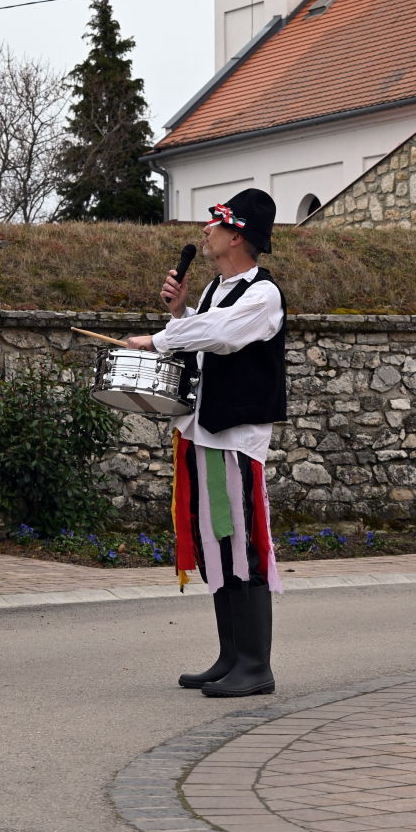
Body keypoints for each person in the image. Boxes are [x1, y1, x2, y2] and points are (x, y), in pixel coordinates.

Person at [127, 189, 285, 697]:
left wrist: (160, 337)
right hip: (204, 433)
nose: (204, 232)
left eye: (213, 224)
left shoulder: (264, 295)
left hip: (236, 440)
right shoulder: (216, 290)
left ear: (237, 234)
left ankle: (256, 666)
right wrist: (179, 313)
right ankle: (230, 656)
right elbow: (201, 334)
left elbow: (219, 336)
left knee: (242, 544)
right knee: (217, 543)